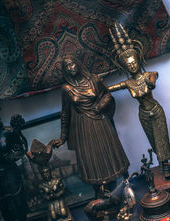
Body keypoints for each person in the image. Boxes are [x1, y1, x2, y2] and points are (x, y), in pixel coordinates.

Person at [53, 55, 129, 193]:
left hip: (100, 122)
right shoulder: (66, 89)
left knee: (109, 154)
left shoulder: (94, 79)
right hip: (83, 127)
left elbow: (107, 95)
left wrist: (99, 106)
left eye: (72, 64)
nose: (71, 68)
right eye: (67, 67)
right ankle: (100, 193)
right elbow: (65, 113)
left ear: (78, 64)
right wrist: (62, 137)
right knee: (92, 160)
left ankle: (120, 188)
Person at [108, 23, 170, 178]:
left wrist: (151, 82)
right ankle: (161, 163)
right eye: (129, 64)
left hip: (156, 112)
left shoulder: (148, 75)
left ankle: (166, 167)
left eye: (134, 62)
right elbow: (112, 88)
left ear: (138, 60)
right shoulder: (128, 83)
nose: (132, 65)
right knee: (154, 143)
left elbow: (153, 78)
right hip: (143, 115)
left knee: (161, 139)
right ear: (125, 67)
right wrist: (99, 87)